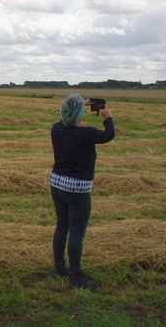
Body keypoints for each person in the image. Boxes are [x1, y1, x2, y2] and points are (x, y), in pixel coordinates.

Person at [50, 93, 114, 289]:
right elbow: (109, 135)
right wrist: (108, 117)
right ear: (80, 113)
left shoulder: (56, 129)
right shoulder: (87, 133)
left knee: (62, 226)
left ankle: (59, 267)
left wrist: (78, 104)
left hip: (57, 183)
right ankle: (76, 276)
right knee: (77, 231)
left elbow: (65, 118)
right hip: (77, 189)